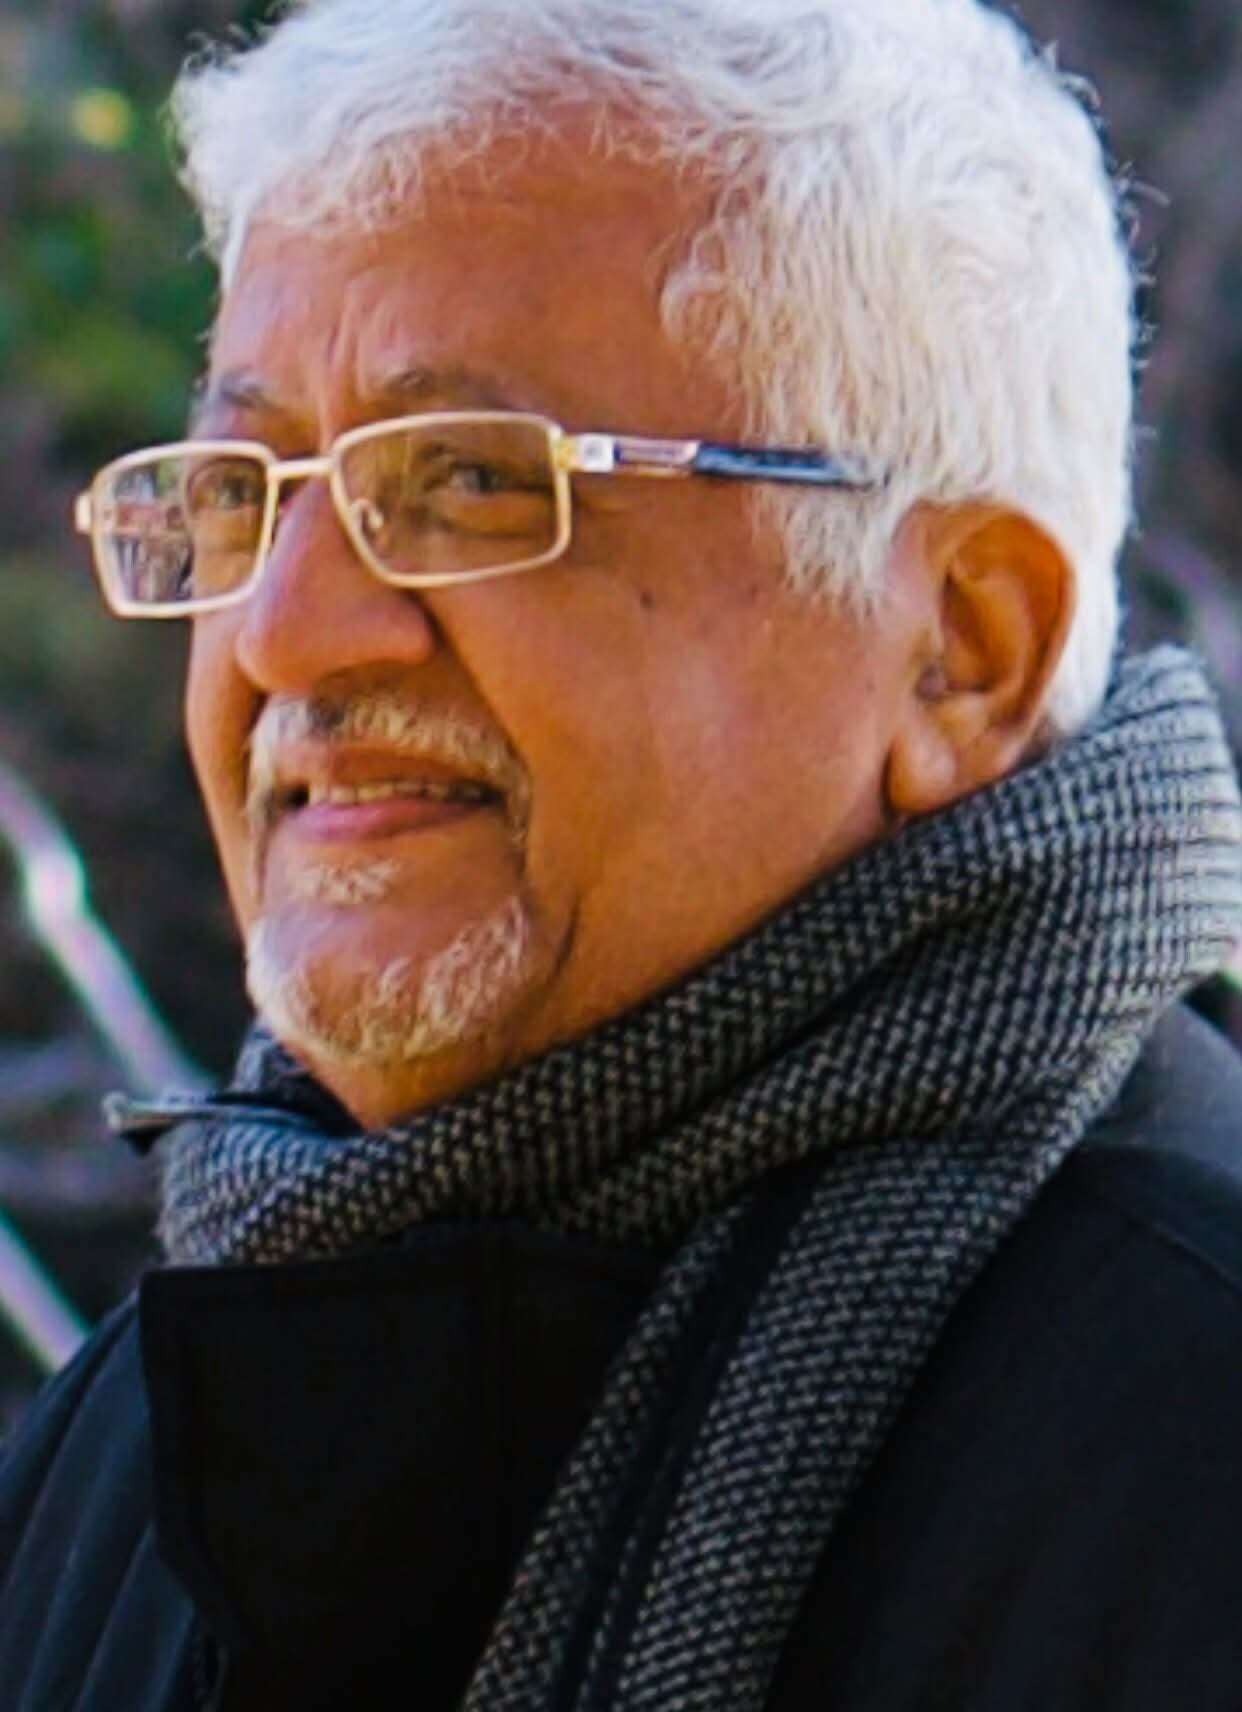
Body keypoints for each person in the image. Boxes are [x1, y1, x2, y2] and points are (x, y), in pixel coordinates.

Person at [3, 0, 1241, 1706]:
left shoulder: (1183, 1431)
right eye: (245, 491)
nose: (286, 632)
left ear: (967, 646)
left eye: (467, 484)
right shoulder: (138, 1450)